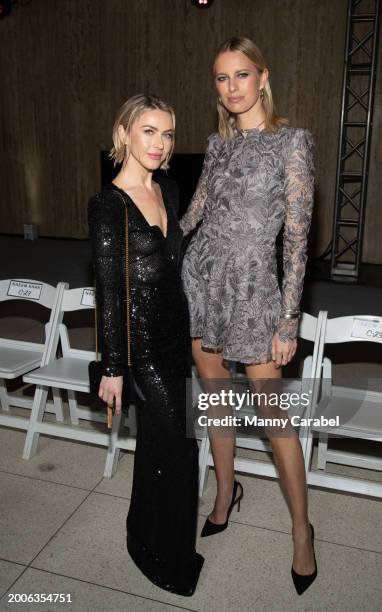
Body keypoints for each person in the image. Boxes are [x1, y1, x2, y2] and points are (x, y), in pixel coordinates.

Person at [180, 37, 317, 595]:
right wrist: (153, 239)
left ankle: (302, 531)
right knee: (215, 399)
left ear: (263, 76)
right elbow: (196, 211)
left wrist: (290, 320)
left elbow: (299, 240)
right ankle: (225, 491)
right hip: (205, 281)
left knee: (274, 417)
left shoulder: (293, 141)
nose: (231, 87)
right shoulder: (217, 144)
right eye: (221, 78)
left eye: (241, 75)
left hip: (257, 288)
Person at [88, 94, 203, 596]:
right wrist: (113, 366)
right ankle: (163, 555)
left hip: (176, 336)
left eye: (169, 134)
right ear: (124, 134)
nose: (160, 144)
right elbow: (110, 292)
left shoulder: (170, 190)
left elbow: (180, 266)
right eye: (149, 132)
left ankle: (149, 537)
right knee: (178, 449)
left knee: (166, 445)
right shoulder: (108, 205)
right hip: (139, 347)